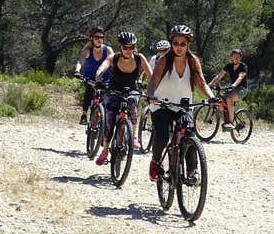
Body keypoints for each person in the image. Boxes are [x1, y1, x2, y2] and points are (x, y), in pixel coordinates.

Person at [146, 25, 216, 182]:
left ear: (188, 44)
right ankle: (156, 163)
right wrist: (150, 94)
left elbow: (201, 83)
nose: (178, 47)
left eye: (182, 44)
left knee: (189, 134)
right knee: (162, 136)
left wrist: (211, 97)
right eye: (175, 43)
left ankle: (192, 171)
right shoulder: (164, 60)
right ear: (171, 44)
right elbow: (154, 79)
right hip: (161, 104)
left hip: (183, 105)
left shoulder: (193, 61)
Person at [93, 31, 152, 165]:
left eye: (131, 47)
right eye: (125, 47)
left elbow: (151, 75)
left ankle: (134, 136)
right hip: (114, 90)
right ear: (120, 46)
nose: (128, 50)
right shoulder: (114, 58)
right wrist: (98, 80)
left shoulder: (139, 58)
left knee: (133, 106)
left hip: (132, 90)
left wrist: (152, 91)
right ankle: (105, 150)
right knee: (110, 120)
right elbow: (101, 69)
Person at [73, 26, 113, 125]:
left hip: (105, 78)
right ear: (91, 38)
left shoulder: (108, 50)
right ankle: (84, 114)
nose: (99, 39)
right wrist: (77, 71)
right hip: (90, 78)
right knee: (89, 91)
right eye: (97, 37)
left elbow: (115, 62)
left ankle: (103, 118)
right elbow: (80, 61)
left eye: (101, 37)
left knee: (106, 97)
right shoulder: (87, 50)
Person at [208, 48, 248, 131]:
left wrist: (233, 85)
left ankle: (230, 122)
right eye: (234, 57)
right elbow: (219, 76)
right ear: (231, 57)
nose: (236, 58)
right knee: (220, 100)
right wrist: (210, 84)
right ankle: (226, 121)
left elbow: (240, 77)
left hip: (241, 89)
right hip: (233, 88)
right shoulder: (228, 66)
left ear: (240, 58)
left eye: (237, 57)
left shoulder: (243, 66)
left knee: (229, 99)